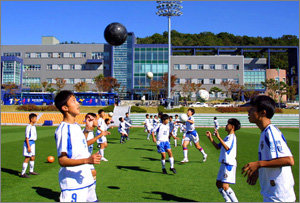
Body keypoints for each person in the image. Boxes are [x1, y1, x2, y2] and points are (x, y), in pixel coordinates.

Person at [242, 95, 295, 202]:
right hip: (272, 195)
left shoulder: (271, 133)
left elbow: (289, 160)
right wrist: (259, 170)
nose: (248, 112)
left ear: (263, 112)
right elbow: (271, 160)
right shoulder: (265, 133)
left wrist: (258, 164)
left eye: (252, 109)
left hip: (280, 197)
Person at [54, 90, 101, 202]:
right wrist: (87, 160)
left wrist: (87, 130)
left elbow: (82, 145)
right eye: (73, 101)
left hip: (86, 179)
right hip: (73, 184)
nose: (78, 103)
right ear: (65, 108)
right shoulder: (63, 130)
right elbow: (62, 161)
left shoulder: (75, 126)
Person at [206, 118, 241, 202]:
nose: (226, 126)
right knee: (218, 184)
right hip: (224, 163)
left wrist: (218, 137)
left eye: (227, 124)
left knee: (225, 186)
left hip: (229, 163)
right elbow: (218, 147)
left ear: (232, 127)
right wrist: (210, 138)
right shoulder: (227, 137)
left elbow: (227, 147)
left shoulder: (232, 137)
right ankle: (227, 200)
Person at [20, 113, 39, 178]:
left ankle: (31, 171)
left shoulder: (33, 126)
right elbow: (27, 137)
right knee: (27, 157)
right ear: (31, 119)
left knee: (33, 157)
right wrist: (28, 146)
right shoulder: (28, 127)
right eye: (35, 118)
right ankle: (22, 173)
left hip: (33, 143)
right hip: (29, 143)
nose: (36, 120)